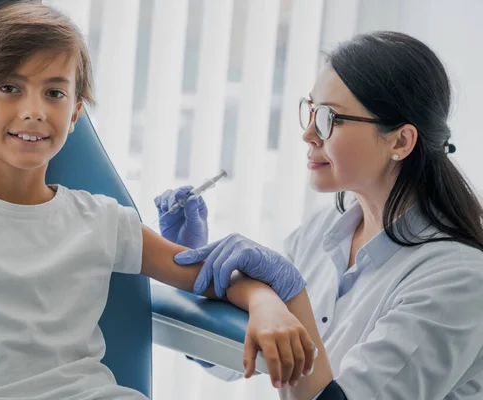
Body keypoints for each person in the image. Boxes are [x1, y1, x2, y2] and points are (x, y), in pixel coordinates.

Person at [0, 2, 318, 399]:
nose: (34, 109)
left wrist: (265, 301)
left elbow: (202, 274)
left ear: (74, 113)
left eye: (54, 93)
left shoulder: (100, 219)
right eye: (8, 88)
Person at [156, 31, 483, 399]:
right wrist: (194, 279)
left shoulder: (459, 279)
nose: (309, 133)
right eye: (310, 111)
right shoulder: (323, 230)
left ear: (400, 141)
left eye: (329, 118)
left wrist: (285, 293)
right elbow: (238, 356)